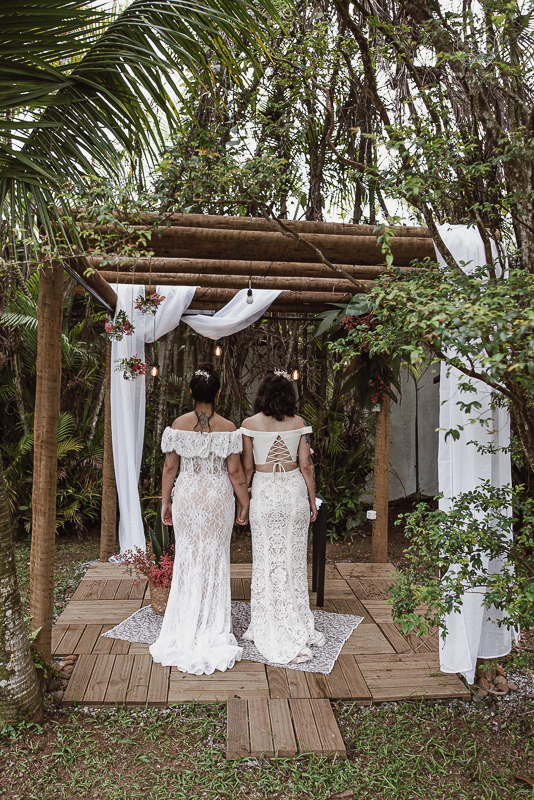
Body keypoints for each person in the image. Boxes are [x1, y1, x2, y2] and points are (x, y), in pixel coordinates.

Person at [149, 363, 249, 675]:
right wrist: (244, 504)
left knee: (189, 556)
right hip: (218, 498)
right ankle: (210, 622)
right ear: (218, 393)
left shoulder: (178, 425)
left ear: (192, 393)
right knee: (215, 556)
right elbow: (234, 472)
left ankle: (185, 619)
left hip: (188, 497)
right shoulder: (228, 428)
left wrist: (166, 501)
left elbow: (169, 468)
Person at [240, 369, 325, 664]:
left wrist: (243, 503)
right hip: (292, 494)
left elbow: (248, 469)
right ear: (289, 396)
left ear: (262, 394)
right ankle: (295, 619)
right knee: (292, 559)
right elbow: (306, 467)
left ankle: (265, 621)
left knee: (265, 559)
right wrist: (312, 501)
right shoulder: (299, 423)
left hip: (264, 493)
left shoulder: (249, 424)